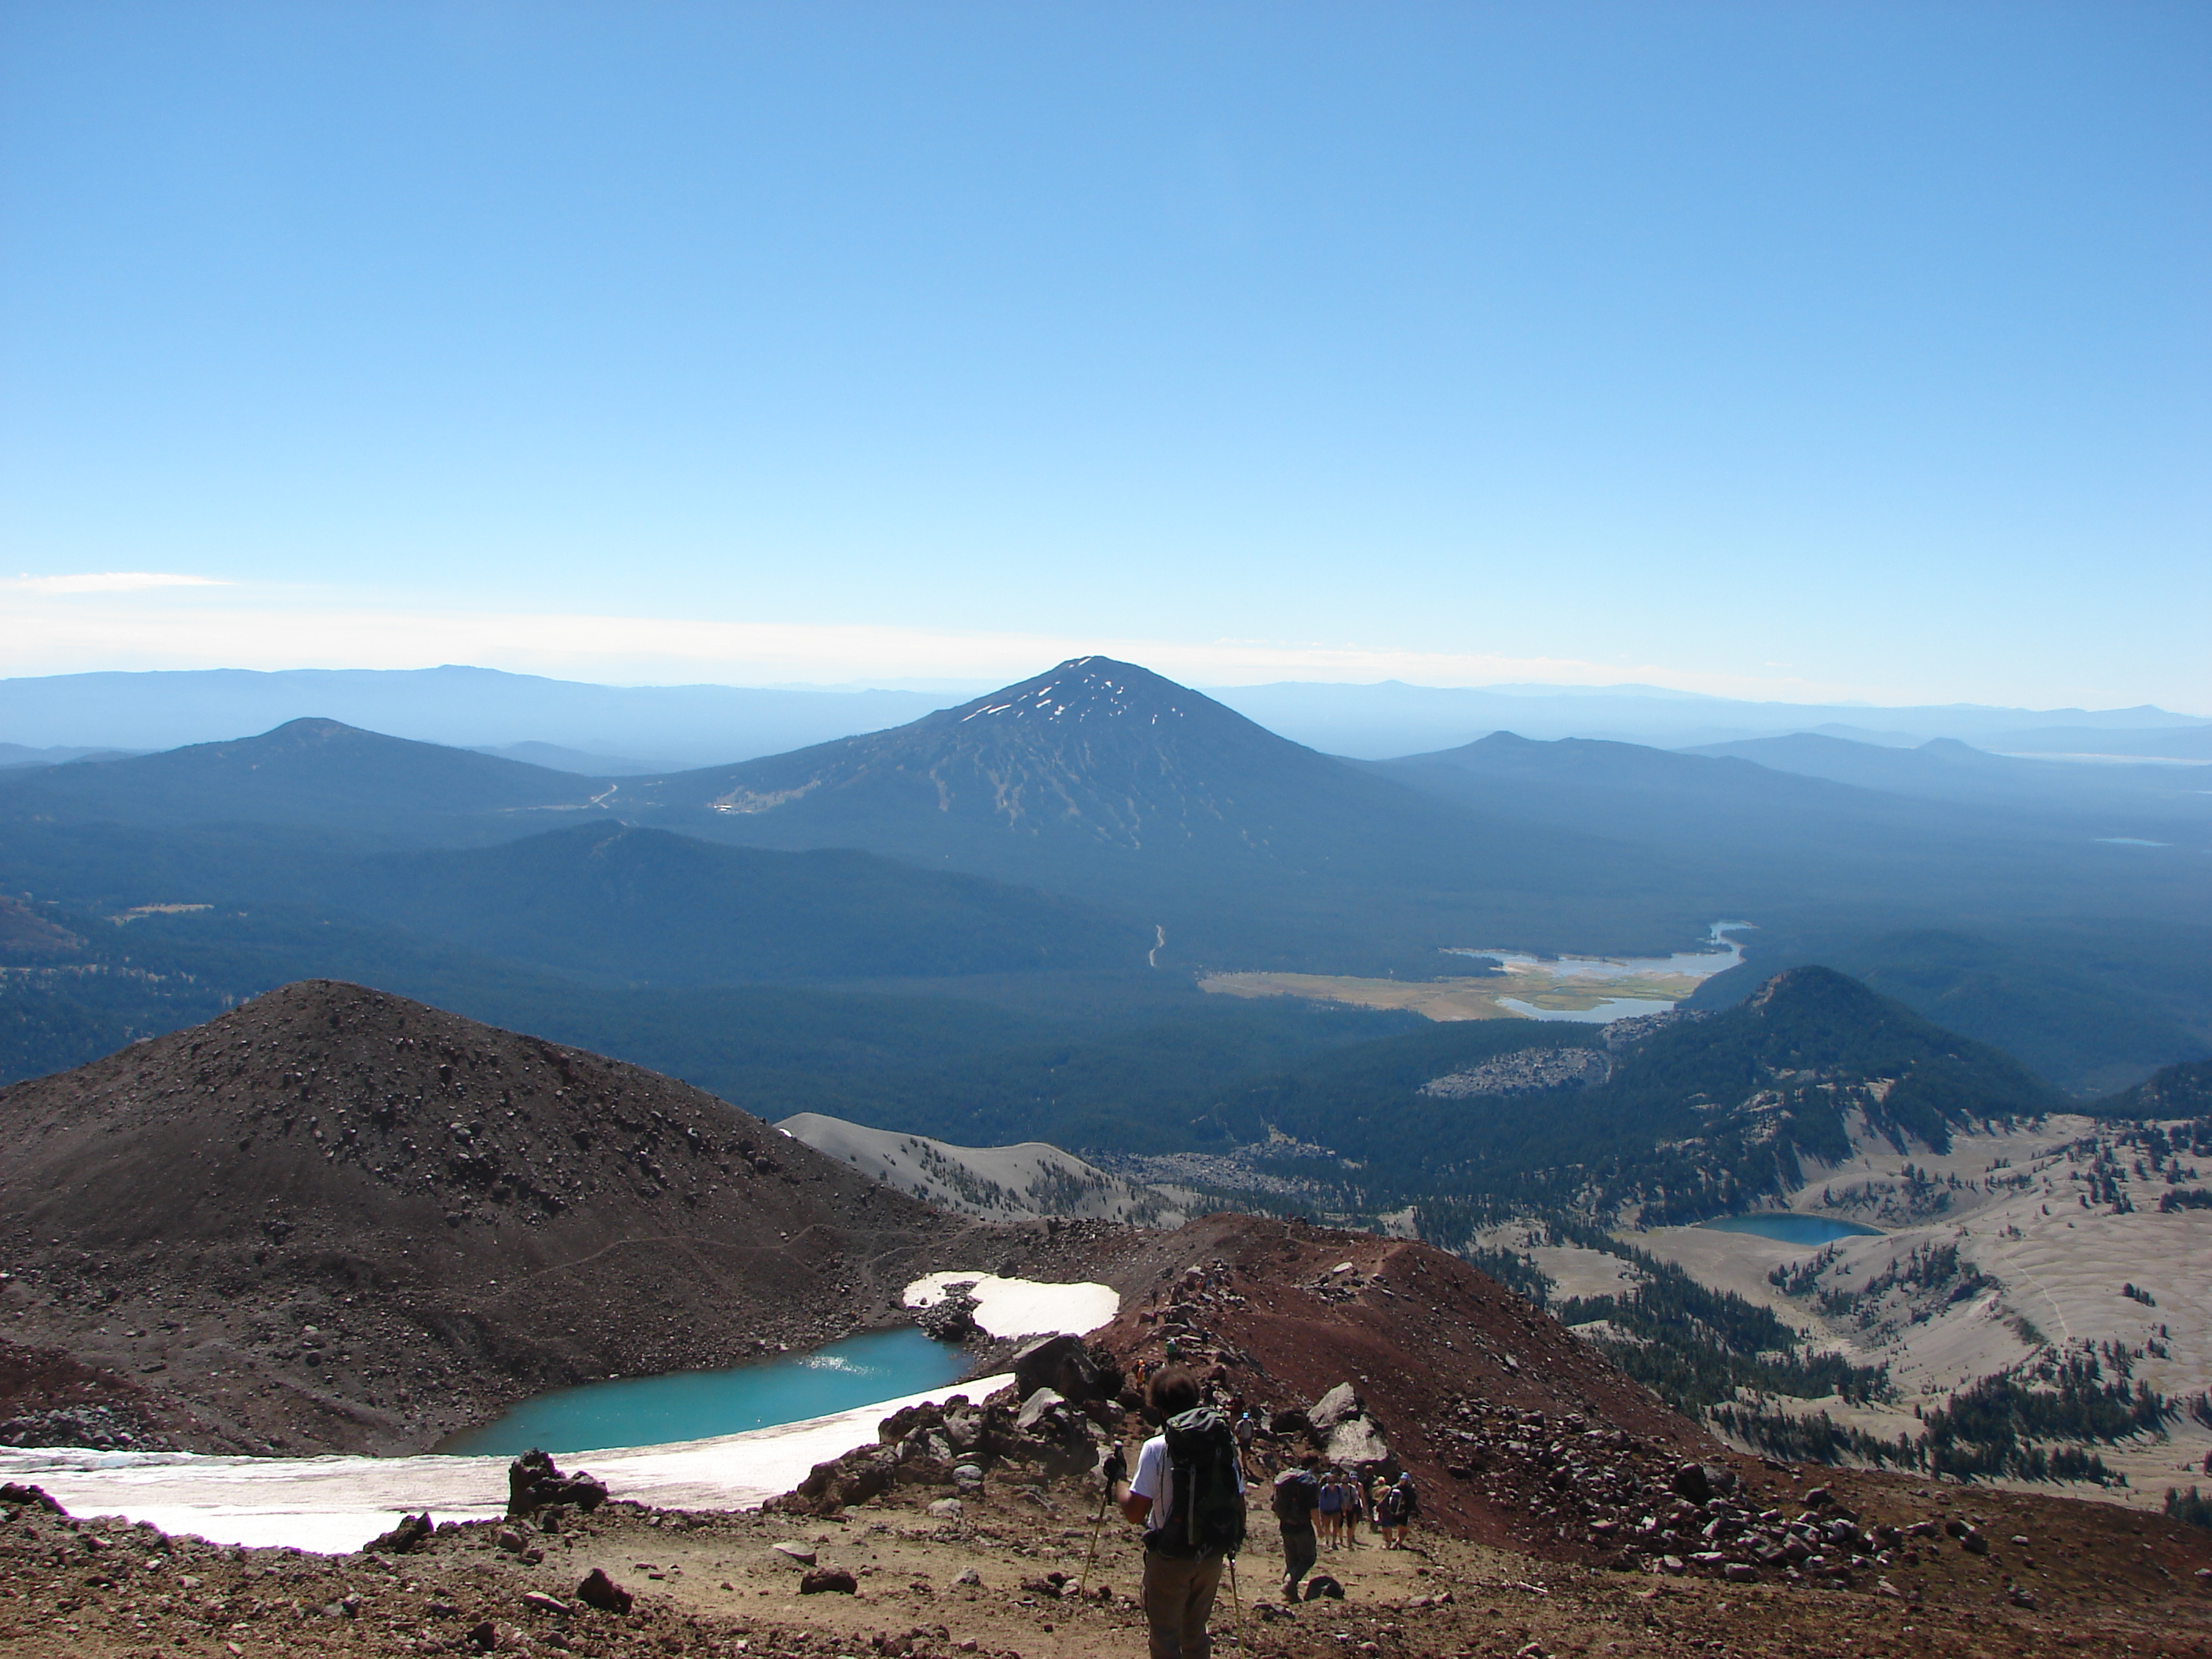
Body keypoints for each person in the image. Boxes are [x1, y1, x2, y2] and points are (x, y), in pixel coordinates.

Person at [1111, 1365, 1245, 1659]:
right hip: (1211, 1553)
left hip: (1170, 1556)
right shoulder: (1223, 1444)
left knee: (1165, 1637)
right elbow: (1239, 1499)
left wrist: (1119, 1478)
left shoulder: (1156, 1447)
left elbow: (1134, 1512)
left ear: (1160, 1408)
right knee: (1195, 1633)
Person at [1269, 1452, 1322, 1602]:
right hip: (1302, 1525)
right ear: (1314, 1464)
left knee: (1292, 1560)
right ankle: (1289, 1583)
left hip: (1285, 1524)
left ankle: (1291, 1595)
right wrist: (1319, 1528)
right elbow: (1313, 1508)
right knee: (1308, 1559)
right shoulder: (1309, 1480)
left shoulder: (1286, 1476)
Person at [1317, 1470, 1343, 1548]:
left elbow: (1342, 1499)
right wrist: (1321, 1513)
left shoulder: (1338, 1489)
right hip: (1326, 1511)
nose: (1331, 1484)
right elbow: (1321, 1502)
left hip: (1336, 1510)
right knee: (1327, 1526)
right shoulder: (1324, 1490)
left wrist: (1343, 1510)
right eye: (1330, 1482)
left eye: (1333, 1482)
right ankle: (1327, 1540)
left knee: (1336, 1526)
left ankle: (1334, 1542)